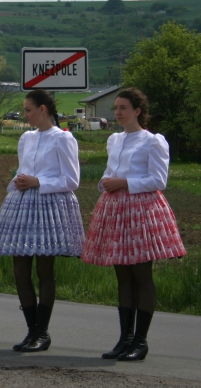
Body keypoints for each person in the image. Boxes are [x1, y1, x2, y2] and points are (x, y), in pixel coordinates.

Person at [81, 88, 185, 361]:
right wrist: (106, 181)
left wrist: (124, 183)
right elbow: (110, 171)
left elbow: (159, 180)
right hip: (116, 209)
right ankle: (125, 338)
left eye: (123, 107)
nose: (117, 112)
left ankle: (141, 340)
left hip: (141, 210)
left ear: (137, 111)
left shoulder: (153, 141)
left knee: (141, 274)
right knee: (123, 275)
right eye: (116, 107)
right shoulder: (114, 140)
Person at [0, 89, 85, 352]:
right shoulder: (26, 138)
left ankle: (42, 332)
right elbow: (23, 169)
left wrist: (38, 181)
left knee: (44, 269)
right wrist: (19, 180)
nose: (25, 115)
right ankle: (32, 330)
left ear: (43, 109)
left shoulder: (63, 138)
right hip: (23, 204)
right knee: (20, 269)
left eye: (28, 110)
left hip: (50, 206)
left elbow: (72, 180)